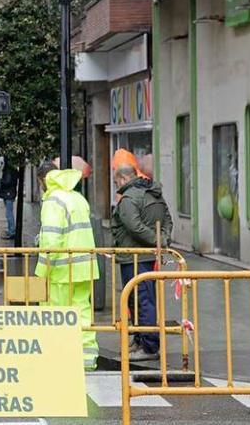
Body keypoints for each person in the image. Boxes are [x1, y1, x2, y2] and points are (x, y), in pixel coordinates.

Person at [35, 161, 99, 371]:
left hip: (62, 270)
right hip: (84, 267)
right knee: (82, 311)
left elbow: (51, 242)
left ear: (42, 180)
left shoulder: (53, 200)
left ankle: (57, 357)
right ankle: (87, 358)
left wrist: (41, 272)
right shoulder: (76, 197)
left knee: (56, 314)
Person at [112, 156, 173, 361]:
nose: (116, 185)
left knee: (140, 300)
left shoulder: (129, 198)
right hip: (145, 256)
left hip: (133, 256)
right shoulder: (154, 194)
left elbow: (134, 226)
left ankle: (148, 345)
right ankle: (140, 339)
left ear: (122, 178)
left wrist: (158, 240)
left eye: (115, 181)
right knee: (140, 299)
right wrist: (162, 238)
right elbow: (167, 219)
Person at [0, 162, 19, 239]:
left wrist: (1, 180)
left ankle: (12, 231)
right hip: (10, 193)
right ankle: (11, 230)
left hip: (8, 193)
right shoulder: (13, 169)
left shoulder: (9, 170)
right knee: (9, 212)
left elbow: (7, 181)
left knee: (8, 213)